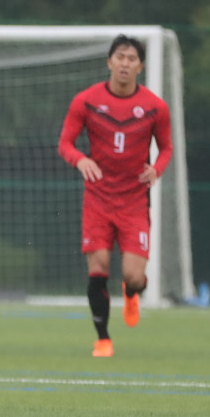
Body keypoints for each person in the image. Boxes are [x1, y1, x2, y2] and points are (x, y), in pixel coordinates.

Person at [58, 34, 172, 358]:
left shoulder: (155, 107)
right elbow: (65, 143)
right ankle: (103, 339)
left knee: (134, 276)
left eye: (132, 58)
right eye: (120, 57)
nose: (125, 63)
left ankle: (132, 293)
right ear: (109, 62)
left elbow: (166, 148)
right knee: (99, 267)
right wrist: (80, 160)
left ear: (140, 66)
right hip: (98, 199)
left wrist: (157, 169)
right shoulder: (86, 101)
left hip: (134, 201)